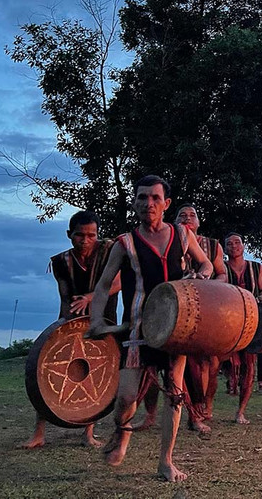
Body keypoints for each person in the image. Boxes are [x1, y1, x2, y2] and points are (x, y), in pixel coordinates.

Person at [87, 174, 214, 482]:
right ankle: (122, 434)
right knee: (126, 397)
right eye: (142, 198)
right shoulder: (125, 243)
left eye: (155, 198)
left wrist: (201, 278)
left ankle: (166, 462)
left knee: (174, 391)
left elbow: (206, 265)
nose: (149, 203)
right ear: (134, 203)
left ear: (166, 203)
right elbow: (103, 286)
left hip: (177, 328)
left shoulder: (183, 235)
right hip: (137, 330)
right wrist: (97, 321)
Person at [22, 210, 120, 450]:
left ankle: (88, 433)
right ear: (69, 235)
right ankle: (39, 433)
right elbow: (65, 296)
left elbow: (118, 283)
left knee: (97, 375)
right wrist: (65, 326)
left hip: (102, 321)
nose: (85, 240)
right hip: (71, 321)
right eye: (79, 235)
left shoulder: (109, 252)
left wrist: (90, 298)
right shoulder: (60, 262)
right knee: (47, 375)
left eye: (91, 235)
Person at [139, 203, 227, 435]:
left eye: (192, 215)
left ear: (198, 223)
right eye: (182, 215)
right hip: (163, 311)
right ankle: (149, 416)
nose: (187, 218)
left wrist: (204, 284)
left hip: (199, 314)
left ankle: (196, 415)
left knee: (196, 368)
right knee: (151, 365)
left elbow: (221, 273)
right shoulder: (165, 240)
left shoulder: (212, 245)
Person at [224, 232, 262, 423]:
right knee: (220, 363)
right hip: (227, 323)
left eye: (237, 242)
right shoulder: (221, 268)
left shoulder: (257, 268)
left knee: (249, 367)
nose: (234, 246)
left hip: (251, 322)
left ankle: (240, 411)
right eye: (229, 244)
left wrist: (260, 299)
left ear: (243, 246)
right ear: (224, 249)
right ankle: (207, 407)